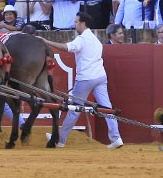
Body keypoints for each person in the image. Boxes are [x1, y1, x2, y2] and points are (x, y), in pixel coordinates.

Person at [42, 12, 123, 149]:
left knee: (74, 109)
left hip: (86, 78)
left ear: (83, 24)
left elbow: (66, 48)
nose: (75, 24)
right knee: (107, 108)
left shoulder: (82, 39)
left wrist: (46, 41)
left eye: (76, 22)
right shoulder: (95, 39)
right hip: (100, 77)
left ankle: (60, 140)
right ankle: (116, 138)